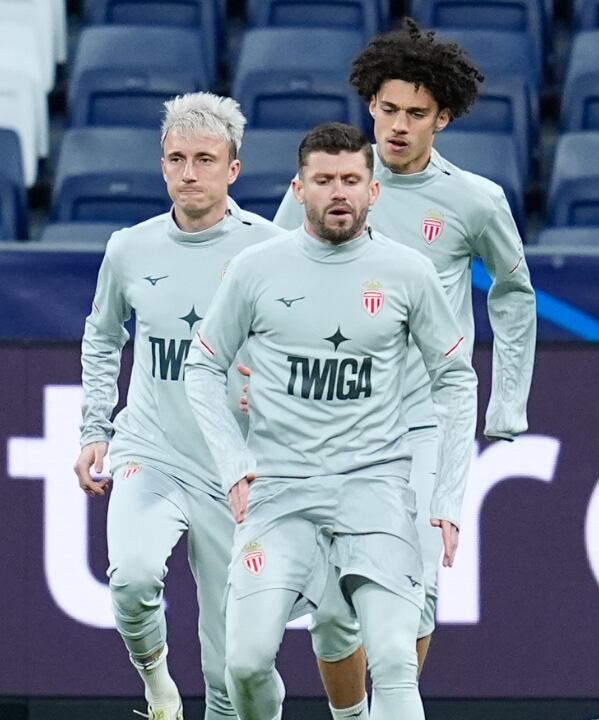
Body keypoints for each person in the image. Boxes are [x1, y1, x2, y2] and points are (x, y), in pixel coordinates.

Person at [271, 21, 536, 717]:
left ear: (442, 118)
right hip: (323, 420)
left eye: (416, 113)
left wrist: (507, 405)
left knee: (411, 595)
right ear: (369, 107)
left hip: (423, 419)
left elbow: (514, 292)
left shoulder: (474, 201)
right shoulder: (326, 184)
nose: (397, 125)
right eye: (387, 109)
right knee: (331, 611)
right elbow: (264, 287)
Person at [184, 123, 478, 720]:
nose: (337, 192)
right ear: (299, 189)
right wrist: (235, 462)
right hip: (280, 495)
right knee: (243, 662)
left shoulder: (407, 272)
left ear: (374, 192)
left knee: (395, 658)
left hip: (375, 491)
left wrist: (446, 497)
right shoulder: (255, 268)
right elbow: (201, 365)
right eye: (323, 180)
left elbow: (457, 379)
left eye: (350, 179)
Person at [75, 92, 283, 720]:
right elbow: (103, 334)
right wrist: (94, 427)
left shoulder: (270, 251)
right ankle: (157, 684)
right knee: (133, 575)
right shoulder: (129, 248)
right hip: (152, 448)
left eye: (204, 159)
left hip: (237, 471)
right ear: (162, 165)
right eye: (176, 159)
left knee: (235, 669)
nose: (189, 173)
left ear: (233, 169)